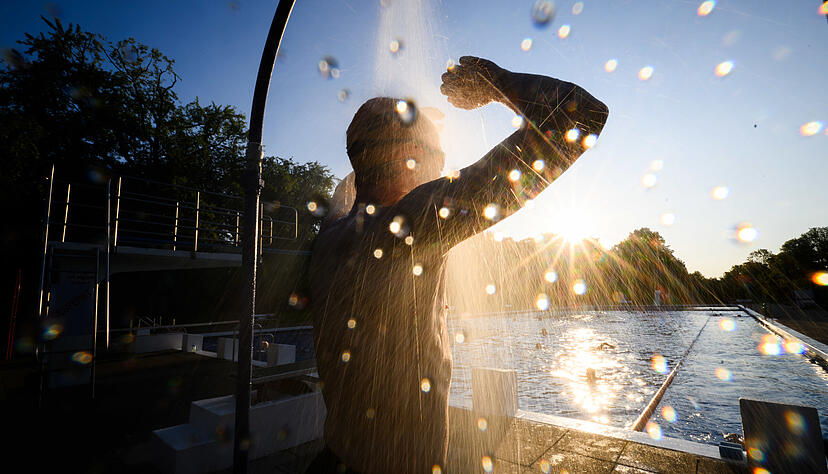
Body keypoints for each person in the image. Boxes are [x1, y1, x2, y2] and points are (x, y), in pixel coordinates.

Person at [307, 56, 608, 473]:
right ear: (411, 155)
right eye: (439, 153)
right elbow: (584, 117)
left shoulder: (331, 235)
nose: (444, 164)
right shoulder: (408, 228)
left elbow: (351, 180)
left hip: (334, 459)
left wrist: (408, 131)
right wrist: (495, 83)